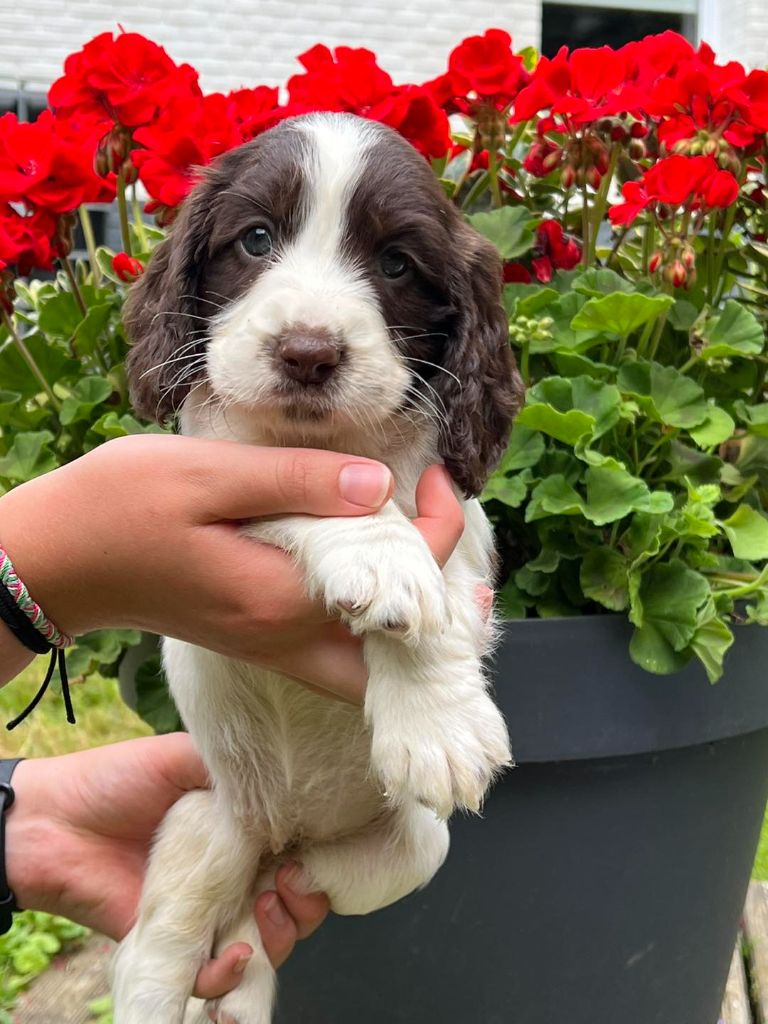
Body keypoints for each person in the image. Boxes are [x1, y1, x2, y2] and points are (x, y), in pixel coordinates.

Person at [0, 434, 465, 1000]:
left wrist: (26, 831)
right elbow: (232, 504)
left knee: (422, 847)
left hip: (360, 825)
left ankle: (254, 895)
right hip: (238, 793)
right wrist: (35, 563)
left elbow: (465, 585)